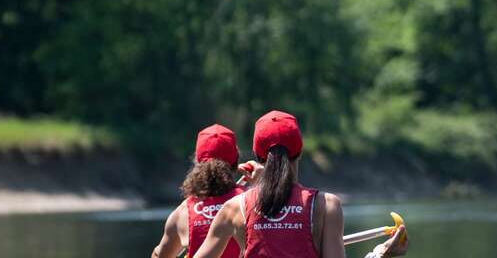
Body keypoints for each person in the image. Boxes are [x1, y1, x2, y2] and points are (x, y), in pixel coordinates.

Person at [192, 110, 409, 258]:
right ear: (300, 152)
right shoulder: (327, 206)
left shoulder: (233, 209)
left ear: (259, 156)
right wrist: (381, 253)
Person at [152, 124, 262, 258]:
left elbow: (159, 255)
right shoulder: (252, 202)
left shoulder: (183, 213)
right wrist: (258, 185)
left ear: (197, 162)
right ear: (235, 162)